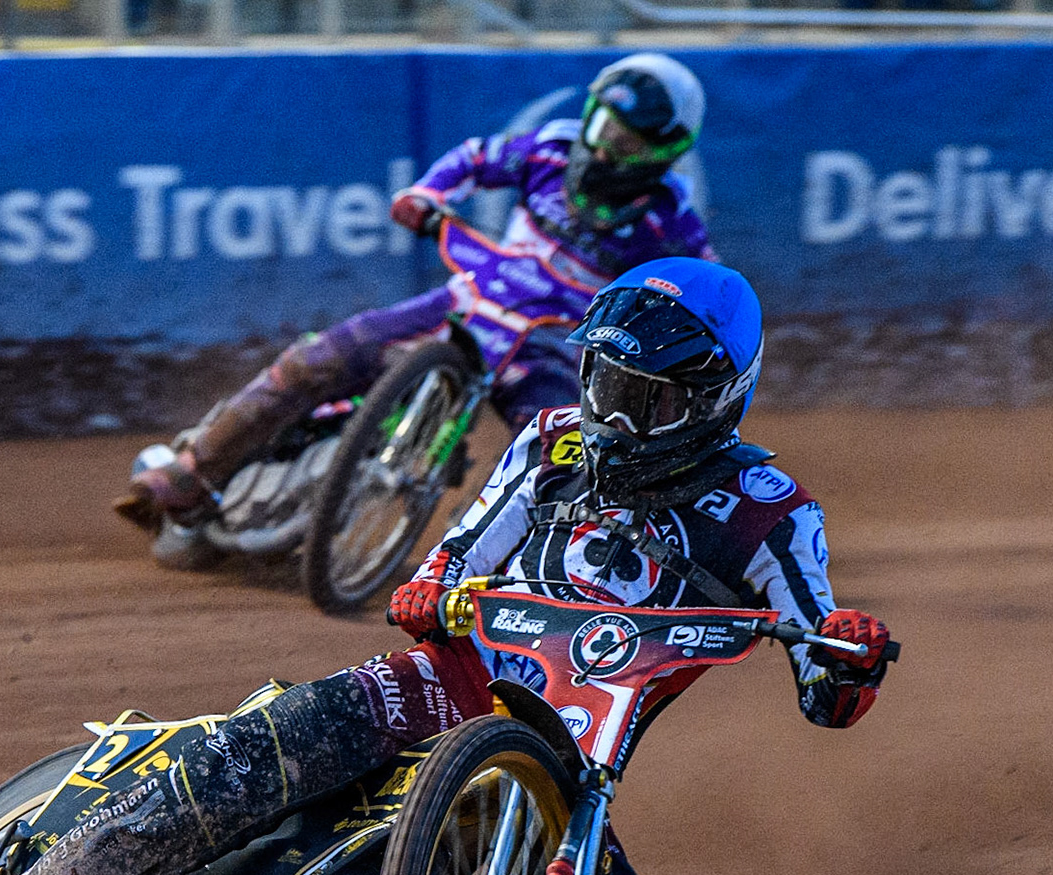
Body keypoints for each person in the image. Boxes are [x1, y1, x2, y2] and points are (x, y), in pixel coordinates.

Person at [0, 258, 893, 875]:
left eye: (647, 400)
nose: (613, 415)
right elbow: (457, 554)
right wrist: (430, 586)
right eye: (603, 383)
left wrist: (848, 656)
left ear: (716, 400)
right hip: (439, 688)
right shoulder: (553, 440)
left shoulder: (774, 513)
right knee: (246, 758)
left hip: (564, 771)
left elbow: (824, 677)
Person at [115, 52, 720, 564]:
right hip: (466, 301)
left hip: (549, 345)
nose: (607, 150)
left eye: (628, 142)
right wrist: (427, 193)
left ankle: (544, 572)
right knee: (318, 358)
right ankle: (192, 476)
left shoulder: (672, 223)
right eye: (605, 129)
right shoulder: (549, 151)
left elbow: (700, 292)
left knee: (564, 455)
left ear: (664, 151)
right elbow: (475, 159)